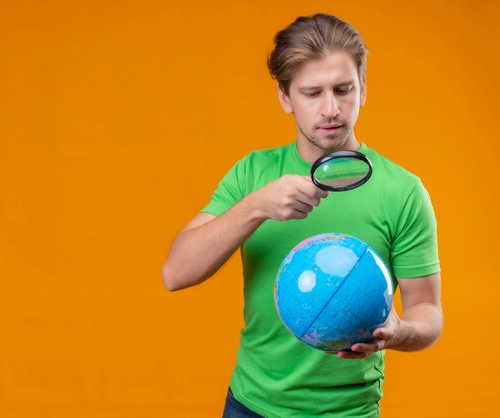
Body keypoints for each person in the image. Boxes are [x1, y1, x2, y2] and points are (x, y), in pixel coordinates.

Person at [162, 13, 442, 418]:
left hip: (350, 411)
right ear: (285, 97)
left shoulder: (402, 191)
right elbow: (175, 273)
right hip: (250, 406)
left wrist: (400, 332)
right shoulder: (252, 175)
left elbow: (427, 312)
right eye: (312, 93)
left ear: (363, 89)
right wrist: (256, 206)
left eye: (343, 89)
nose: (331, 109)